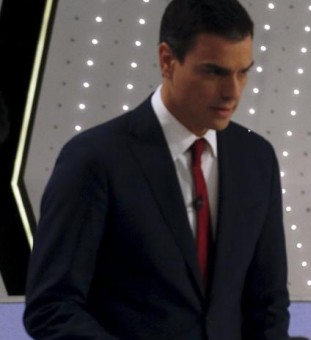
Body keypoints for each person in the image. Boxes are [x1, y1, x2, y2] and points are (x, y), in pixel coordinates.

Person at [23, 1, 290, 338]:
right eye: (213, 71)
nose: (232, 92)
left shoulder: (257, 158)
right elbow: (51, 307)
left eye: (243, 71)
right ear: (167, 60)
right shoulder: (93, 159)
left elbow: (268, 304)